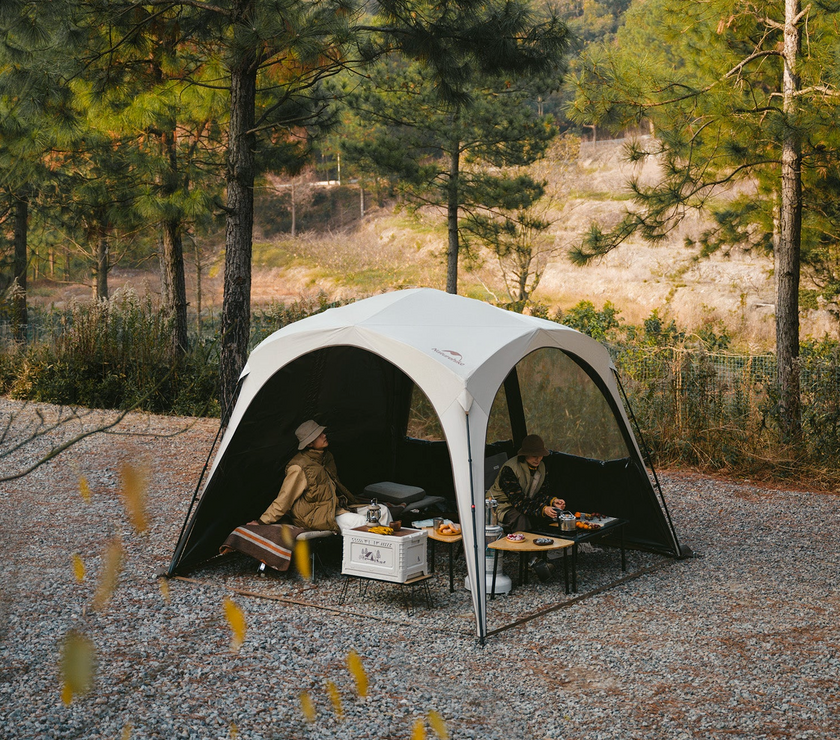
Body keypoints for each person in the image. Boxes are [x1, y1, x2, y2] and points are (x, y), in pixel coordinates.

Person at [251, 420, 391, 533]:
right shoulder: (299, 467)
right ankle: (373, 561)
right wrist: (261, 521)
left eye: (322, 432)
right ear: (310, 443)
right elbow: (284, 499)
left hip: (335, 508)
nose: (324, 435)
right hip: (314, 515)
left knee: (382, 511)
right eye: (319, 434)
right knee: (363, 523)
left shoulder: (327, 457)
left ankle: (389, 558)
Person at [487, 434, 565, 533]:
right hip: (500, 506)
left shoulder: (541, 467)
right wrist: (543, 509)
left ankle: (542, 545)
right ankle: (522, 547)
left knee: (545, 518)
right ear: (525, 454)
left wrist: (552, 501)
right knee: (521, 518)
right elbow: (519, 502)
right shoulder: (510, 469)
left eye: (540, 455)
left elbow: (539, 495)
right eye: (534, 456)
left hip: (524, 503)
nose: (538, 459)